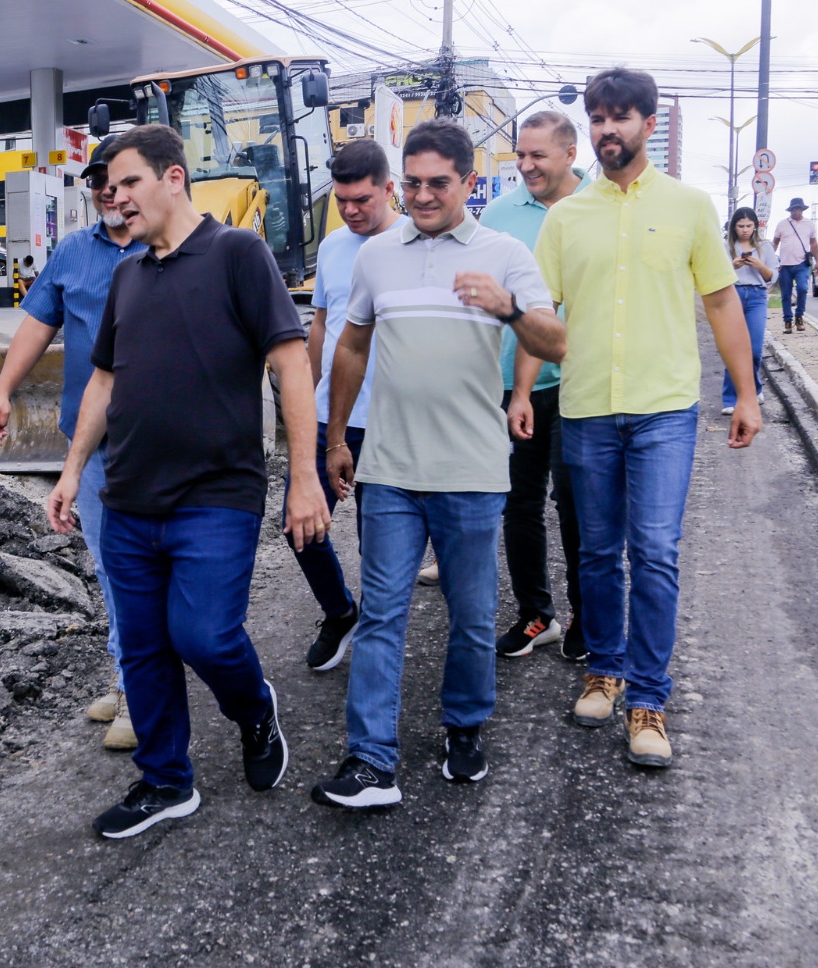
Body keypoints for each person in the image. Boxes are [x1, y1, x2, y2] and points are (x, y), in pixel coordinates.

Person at [45, 124, 326, 838]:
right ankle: (168, 780)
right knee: (142, 646)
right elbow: (104, 379)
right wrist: (73, 470)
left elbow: (290, 364)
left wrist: (304, 478)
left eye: (130, 182)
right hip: (131, 496)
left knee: (202, 634)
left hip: (216, 494)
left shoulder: (239, 253)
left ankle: (253, 708)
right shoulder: (128, 275)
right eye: (109, 188)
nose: (116, 197)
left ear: (174, 178)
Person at [314, 120, 564, 810]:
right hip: (391, 469)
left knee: (474, 615)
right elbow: (351, 348)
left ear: (468, 182)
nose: (423, 197)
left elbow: (558, 341)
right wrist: (335, 438)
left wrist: (507, 307)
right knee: (382, 614)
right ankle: (370, 761)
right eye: (414, 183)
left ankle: (463, 727)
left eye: (438, 184)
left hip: (474, 472)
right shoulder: (376, 256)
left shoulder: (505, 253)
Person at [533, 67, 761, 768]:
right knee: (598, 552)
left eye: (621, 116)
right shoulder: (566, 217)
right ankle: (604, 667)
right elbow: (541, 315)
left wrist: (745, 394)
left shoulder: (690, 206)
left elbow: (722, 302)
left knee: (655, 551)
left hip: (665, 408)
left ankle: (649, 701)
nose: (607, 128)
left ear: (648, 124)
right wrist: (516, 392)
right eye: (598, 117)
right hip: (589, 408)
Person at [0, 140, 146, 750]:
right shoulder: (75, 252)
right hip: (92, 445)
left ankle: (146, 687)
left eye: (120, 178)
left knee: (145, 573)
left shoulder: (171, 248)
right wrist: (3, 390)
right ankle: (132, 679)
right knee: (111, 569)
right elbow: (37, 322)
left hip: (159, 444)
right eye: (99, 179)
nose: (109, 190)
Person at [286, 138, 403, 672]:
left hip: (390, 423)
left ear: (389, 189)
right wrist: (305, 402)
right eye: (343, 201)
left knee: (378, 545)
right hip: (330, 416)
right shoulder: (333, 247)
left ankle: (378, 646)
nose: (352, 211)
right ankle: (340, 612)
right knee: (300, 526)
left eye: (363, 200)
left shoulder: (415, 241)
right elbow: (321, 327)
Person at [485, 112, 590, 661]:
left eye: (537, 156)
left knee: (575, 503)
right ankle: (535, 613)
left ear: (570, 153)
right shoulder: (501, 214)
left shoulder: (600, 207)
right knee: (518, 504)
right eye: (520, 155)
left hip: (581, 384)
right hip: (514, 381)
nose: (525, 166)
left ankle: (583, 614)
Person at [721, 207, 778, 415]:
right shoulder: (726, 246)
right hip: (732, 295)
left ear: (755, 226)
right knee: (733, 348)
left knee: (753, 349)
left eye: (748, 226)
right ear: (733, 227)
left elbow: (773, 276)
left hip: (757, 296)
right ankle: (730, 397)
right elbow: (718, 274)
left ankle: (754, 389)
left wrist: (758, 265)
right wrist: (733, 266)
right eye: (740, 226)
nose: (744, 230)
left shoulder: (764, 247)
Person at [772, 197, 818, 334]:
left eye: (799, 209)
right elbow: (775, 243)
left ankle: (799, 316)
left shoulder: (809, 224)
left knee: (803, 289)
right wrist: (770, 260)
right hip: (785, 265)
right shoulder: (782, 224)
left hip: (802, 264)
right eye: (794, 209)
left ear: (802, 210)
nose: (796, 211)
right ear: (790, 210)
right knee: (786, 295)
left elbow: (814, 243)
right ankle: (787, 320)